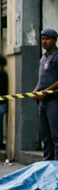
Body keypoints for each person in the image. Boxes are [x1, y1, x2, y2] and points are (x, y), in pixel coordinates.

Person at [34, 28, 58, 160]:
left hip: (54, 100)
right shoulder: (43, 58)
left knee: (55, 133)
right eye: (42, 39)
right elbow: (42, 78)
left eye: (47, 39)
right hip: (42, 101)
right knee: (45, 134)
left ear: (54, 40)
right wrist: (37, 89)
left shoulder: (57, 56)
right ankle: (47, 161)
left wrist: (47, 91)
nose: (44, 41)